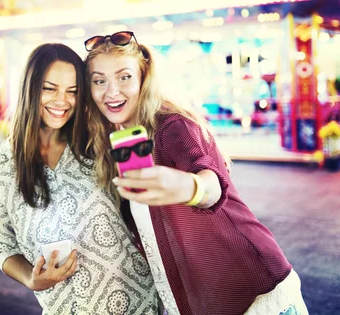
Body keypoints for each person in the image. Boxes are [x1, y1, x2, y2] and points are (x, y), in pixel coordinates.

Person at [77, 31, 309, 315]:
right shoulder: (116, 143)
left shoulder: (172, 126)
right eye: (99, 81)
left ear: (143, 78)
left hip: (256, 296)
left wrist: (191, 187)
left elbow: (211, 185)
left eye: (124, 77)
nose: (111, 92)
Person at [0, 43, 159, 315]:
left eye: (72, 92)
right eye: (49, 89)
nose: (61, 101)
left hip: (138, 302)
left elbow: (148, 199)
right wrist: (31, 278)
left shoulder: (100, 142)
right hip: (64, 308)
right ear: (30, 88)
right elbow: (2, 246)